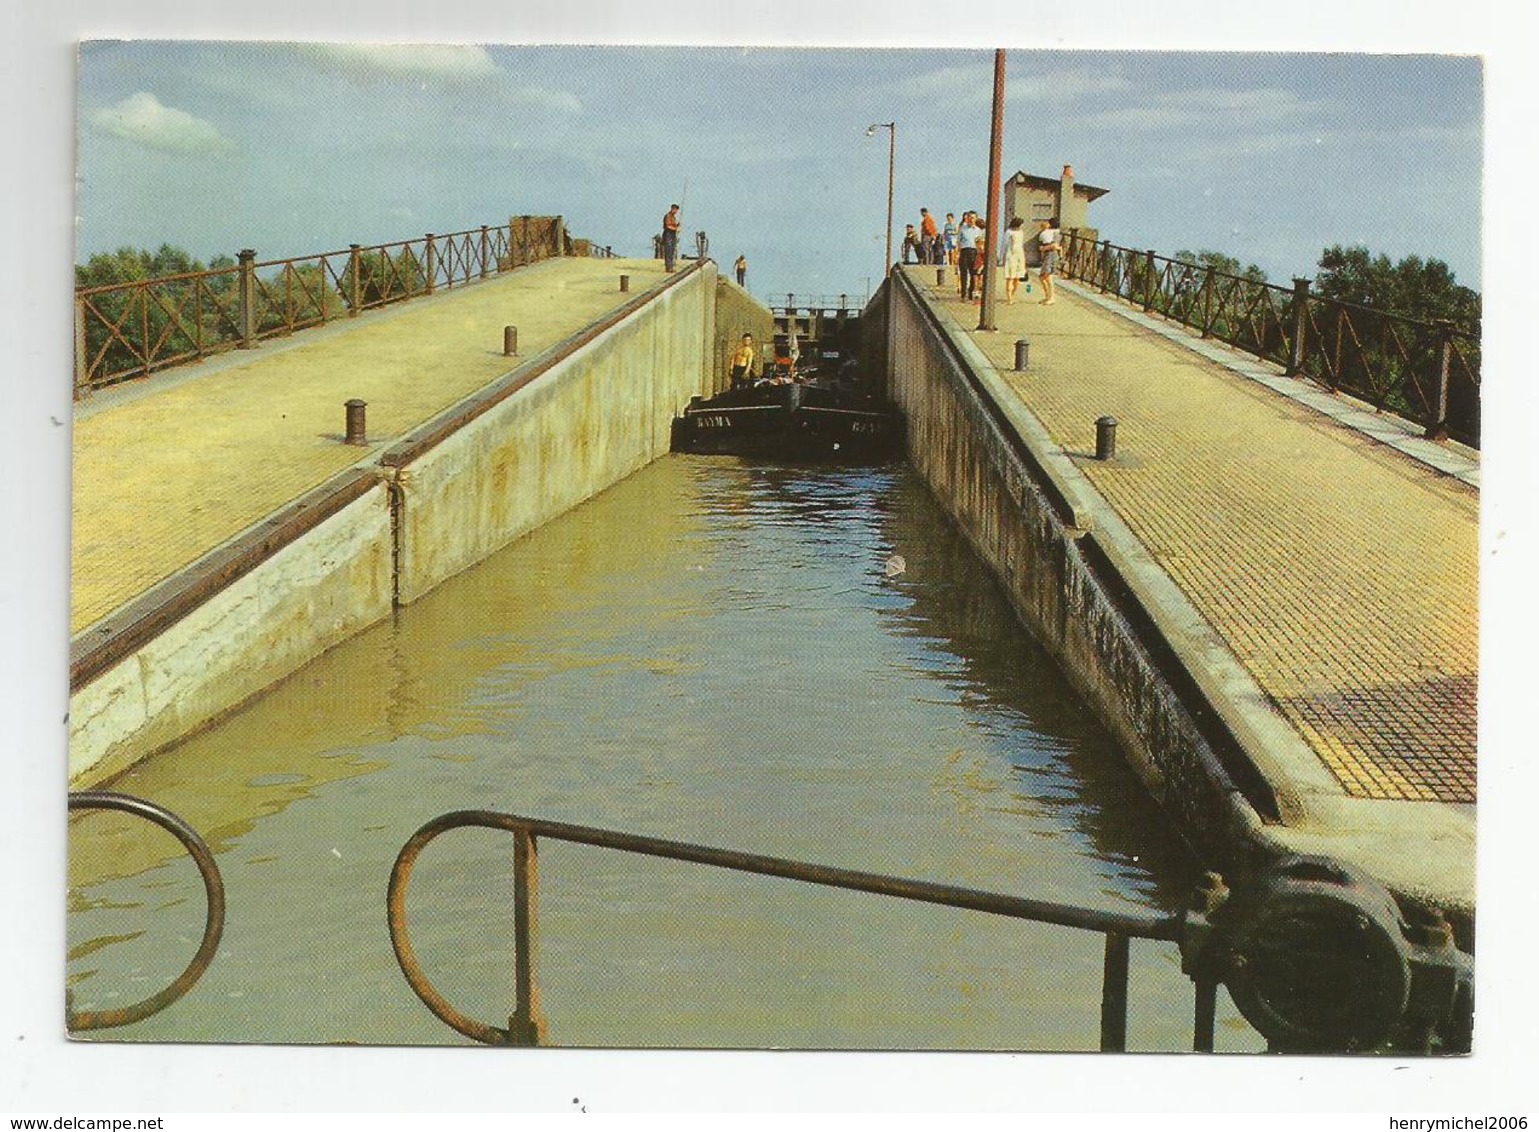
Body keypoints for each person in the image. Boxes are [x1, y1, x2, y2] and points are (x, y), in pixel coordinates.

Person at [957, 211, 983, 301]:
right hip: (964, 251)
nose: (971, 219)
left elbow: (980, 243)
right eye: (969, 217)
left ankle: (970, 292)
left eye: (973, 217)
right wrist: (957, 254)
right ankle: (963, 295)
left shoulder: (978, 230)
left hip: (974, 252)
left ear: (976, 219)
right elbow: (958, 242)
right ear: (966, 218)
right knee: (963, 274)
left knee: (974, 274)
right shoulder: (962, 229)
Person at [1002, 216, 1028, 304]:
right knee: (1011, 277)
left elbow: (1019, 244)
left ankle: (1012, 296)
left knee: (1016, 277)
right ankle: (1009, 297)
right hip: (1012, 255)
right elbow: (1005, 244)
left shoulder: (1019, 232)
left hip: (1017, 254)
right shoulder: (1010, 232)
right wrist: (1003, 256)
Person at [1037, 217, 1062, 305]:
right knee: (1043, 276)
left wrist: (1045, 248)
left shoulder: (1050, 233)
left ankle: (1051, 297)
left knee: (1047, 276)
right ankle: (1048, 296)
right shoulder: (1056, 232)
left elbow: (1053, 246)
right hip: (1050, 255)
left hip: (1050, 255)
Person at [662, 204, 681, 271]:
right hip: (668, 234)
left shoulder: (673, 217)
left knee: (672, 251)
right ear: (672, 209)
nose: (676, 211)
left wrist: (677, 225)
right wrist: (675, 228)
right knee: (668, 251)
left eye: (677, 210)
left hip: (673, 235)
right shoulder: (668, 216)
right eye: (675, 209)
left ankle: (671, 267)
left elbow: (673, 225)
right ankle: (668, 267)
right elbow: (668, 226)